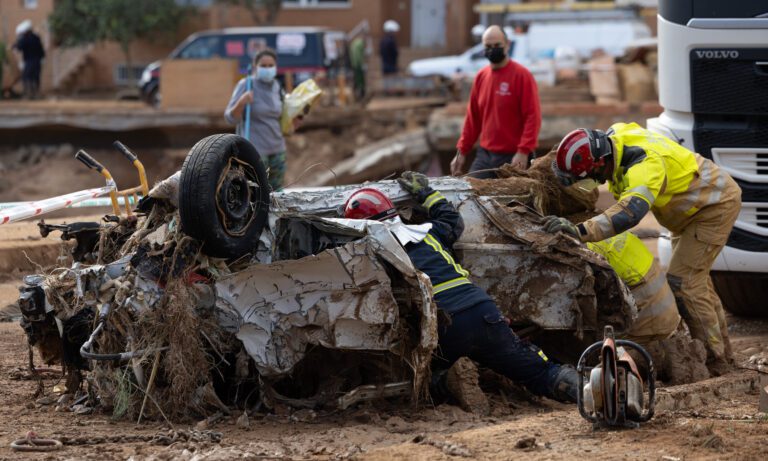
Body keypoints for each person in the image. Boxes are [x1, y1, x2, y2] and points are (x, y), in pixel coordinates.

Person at [343, 172, 579, 406]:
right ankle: (591, 393)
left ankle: (449, 380)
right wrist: (425, 192)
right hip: (482, 312)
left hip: (444, 326)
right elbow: (453, 219)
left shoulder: (375, 255)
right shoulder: (428, 233)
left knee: (422, 379)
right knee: (539, 371)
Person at [544, 123, 741, 375]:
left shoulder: (644, 168)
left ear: (598, 164)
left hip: (712, 208)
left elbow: (629, 213)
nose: (590, 184)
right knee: (696, 282)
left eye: (586, 179)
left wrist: (580, 231)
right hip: (694, 207)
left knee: (684, 283)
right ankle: (724, 352)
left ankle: (715, 362)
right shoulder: (615, 140)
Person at [451, 25, 540, 177]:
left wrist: (523, 151)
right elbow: (473, 120)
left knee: (514, 200)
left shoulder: (522, 76)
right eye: (488, 46)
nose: (493, 49)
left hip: (513, 157)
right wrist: (461, 152)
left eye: (497, 45)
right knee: (471, 194)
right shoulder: (481, 77)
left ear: (507, 45)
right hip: (485, 156)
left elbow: (533, 117)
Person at [587, 231, 680, 349]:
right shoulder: (613, 231)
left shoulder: (589, 251)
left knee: (603, 354)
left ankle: (652, 354)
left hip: (645, 327)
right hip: (669, 318)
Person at [225, 48, 288, 191]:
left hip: (278, 149)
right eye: (263, 66)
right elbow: (229, 118)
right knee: (256, 191)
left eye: (270, 66)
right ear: (255, 66)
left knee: (277, 192)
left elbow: (283, 114)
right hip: (256, 150)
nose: (267, 69)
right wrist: (241, 102)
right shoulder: (246, 85)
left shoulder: (277, 86)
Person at [13, 20, 45, 100]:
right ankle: (36, 94)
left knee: (26, 76)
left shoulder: (25, 39)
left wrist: (14, 46)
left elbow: (19, 47)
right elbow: (41, 50)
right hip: (38, 60)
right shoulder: (36, 37)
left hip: (30, 60)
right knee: (35, 77)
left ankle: (28, 94)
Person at [349, 31, 367, 102]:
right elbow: (358, 56)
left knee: (356, 80)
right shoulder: (360, 44)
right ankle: (361, 96)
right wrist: (361, 64)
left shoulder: (355, 43)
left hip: (354, 65)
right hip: (358, 65)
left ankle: (356, 95)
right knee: (360, 81)